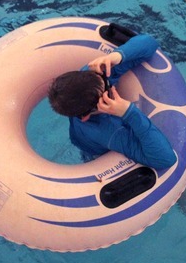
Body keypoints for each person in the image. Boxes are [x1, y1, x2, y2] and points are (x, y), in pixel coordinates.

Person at [48, 33, 177, 169]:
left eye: (104, 80)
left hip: (80, 134)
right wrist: (129, 112)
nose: (109, 85)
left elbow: (150, 42)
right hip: (95, 153)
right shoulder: (109, 131)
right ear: (86, 116)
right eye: (107, 93)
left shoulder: (93, 80)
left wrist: (117, 56)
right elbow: (165, 160)